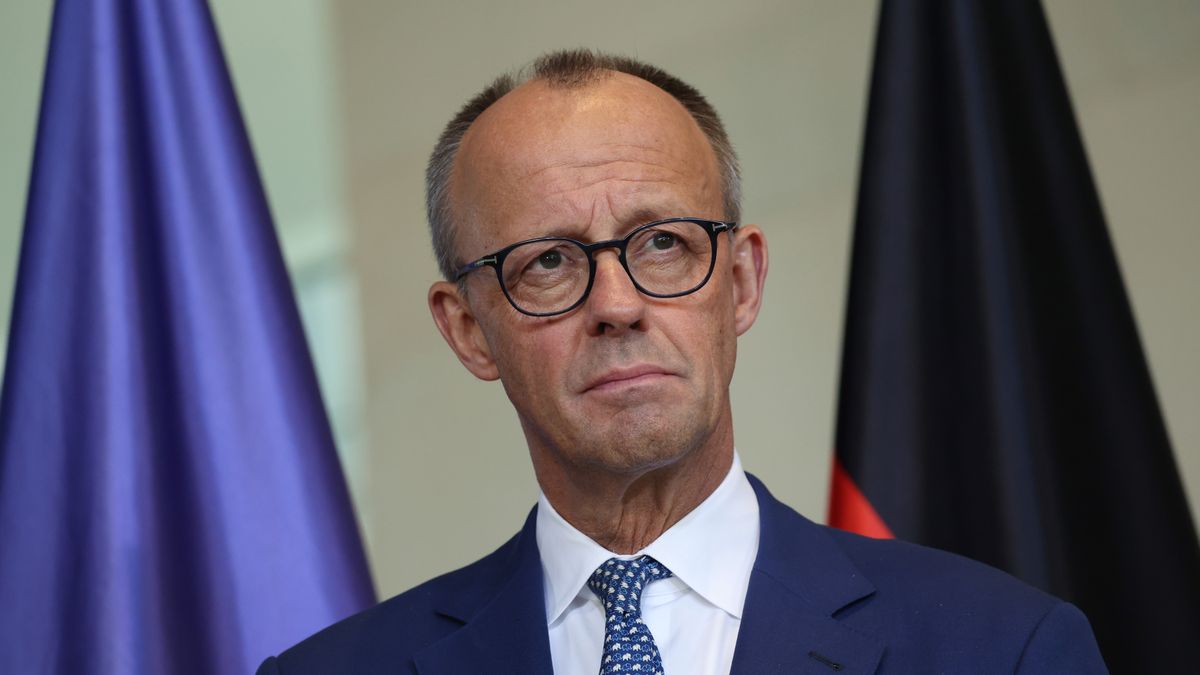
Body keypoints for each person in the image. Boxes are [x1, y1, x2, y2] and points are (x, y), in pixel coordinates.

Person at [258, 49, 1107, 674]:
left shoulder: (1004, 649)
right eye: (548, 261)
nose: (617, 304)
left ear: (740, 282)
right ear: (469, 329)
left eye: (662, 242)